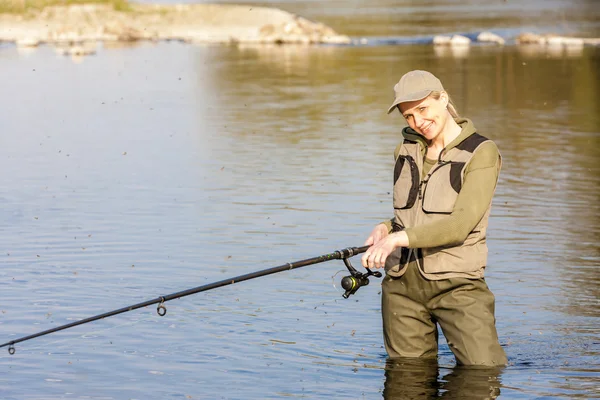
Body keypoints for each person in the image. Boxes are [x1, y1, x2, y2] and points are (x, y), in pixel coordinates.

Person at [361, 70, 507, 366]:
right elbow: (411, 215)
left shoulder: (481, 152)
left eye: (423, 109)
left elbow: (460, 225)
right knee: (406, 379)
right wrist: (385, 227)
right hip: (402, 288)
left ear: (443, 98)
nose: (417, 122)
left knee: (483, 374)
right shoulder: (405, 150)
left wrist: (398, 238)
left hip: (458, 286)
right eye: (408, 116)